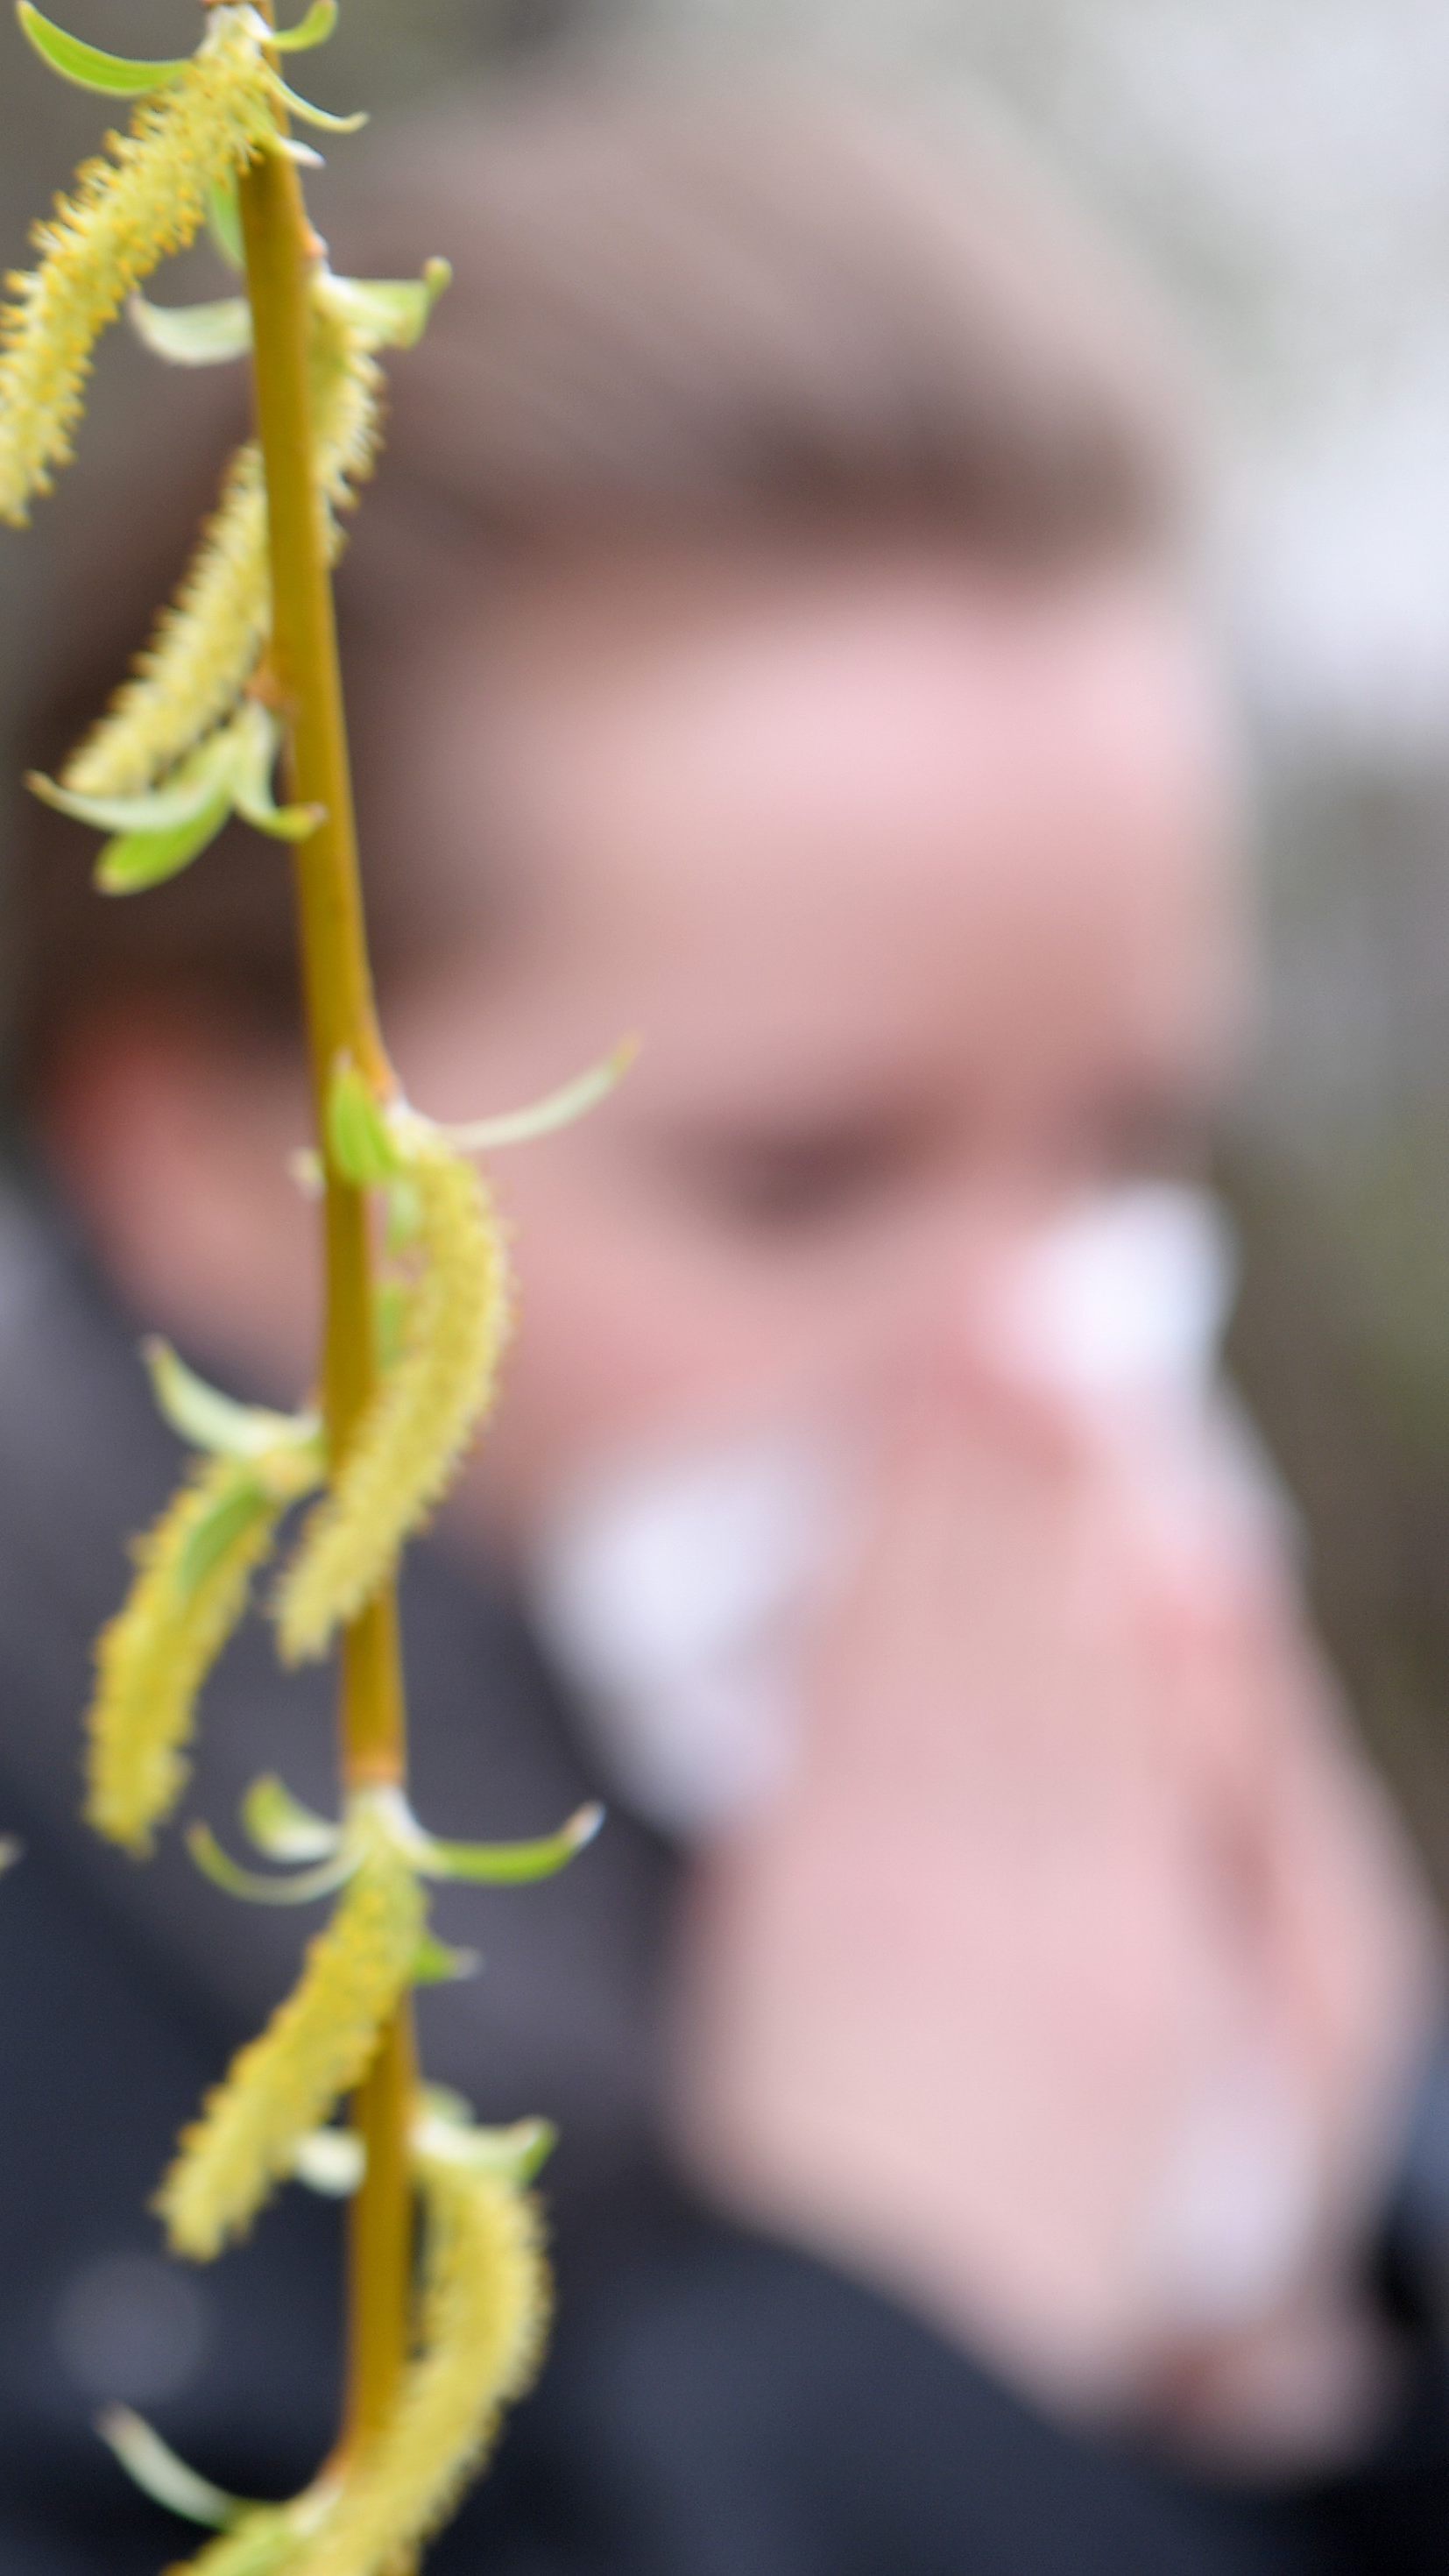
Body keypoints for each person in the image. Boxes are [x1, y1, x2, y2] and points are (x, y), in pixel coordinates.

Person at [3, 70, 1448, 2575]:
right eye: (802, 1180)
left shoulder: (1207, 1935)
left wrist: (1313, 2326)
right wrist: (893, 2365)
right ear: (215, 1161)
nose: (1037, 1361)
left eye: (1127, 1153)